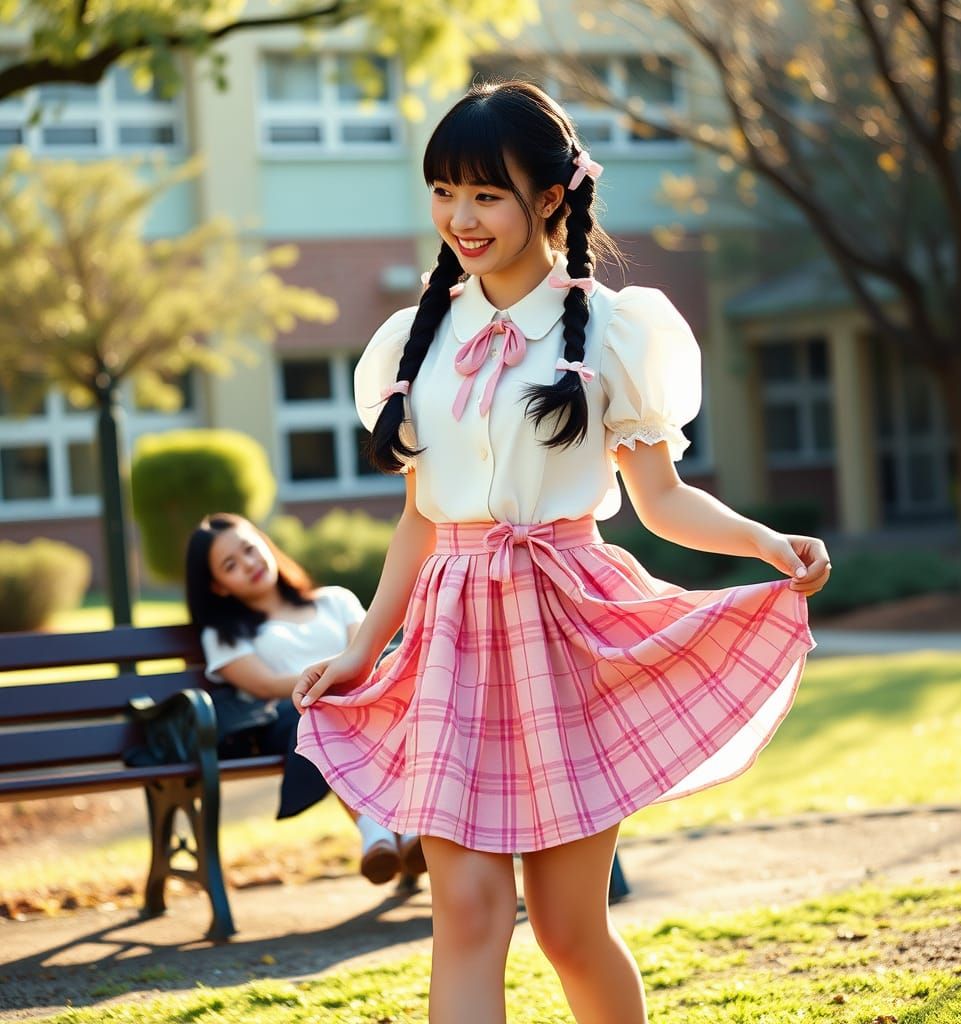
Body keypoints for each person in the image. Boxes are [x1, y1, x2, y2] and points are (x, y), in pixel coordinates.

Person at [292, 80, 831, 1024]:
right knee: (465, 909)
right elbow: (421, 521)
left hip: (567, 632)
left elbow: (658, 501)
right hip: (451, 641)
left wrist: (762, 543)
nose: (460, 217)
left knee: (568, 927)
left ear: (549, 197)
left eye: (486, 194)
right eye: (444, 192)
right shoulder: (408, 343)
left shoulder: (618, 333)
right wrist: (362, 647)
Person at [184, 512, 425, 888]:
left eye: (249, 549)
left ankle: (386, 834)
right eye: (231, 565)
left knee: (373, 711)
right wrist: (328, 685)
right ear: (218, 586)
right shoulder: (224, 634)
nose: (248, 564)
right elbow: (263, 685)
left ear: (265, 543)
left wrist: (346, 685)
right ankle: (388, 831)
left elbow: (368, 653)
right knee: (322, 713)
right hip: (292, 718)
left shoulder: (335, 600)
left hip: (365, 703)